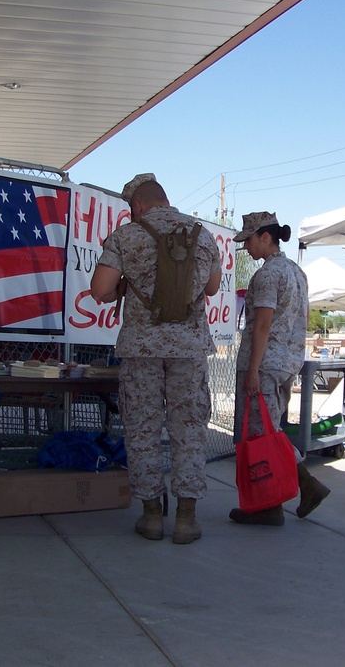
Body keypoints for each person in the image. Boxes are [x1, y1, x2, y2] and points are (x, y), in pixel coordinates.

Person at [90, 173, 222, 544]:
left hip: (141, 350)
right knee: (189, 430)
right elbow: (211, 287)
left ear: (137, 206)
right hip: (189, 348)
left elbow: (100, 290)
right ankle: (186, 519)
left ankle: (151, 517)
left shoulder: (127, 235)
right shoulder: (202, 234)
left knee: (144, 430)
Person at [229, 211, 330, 526]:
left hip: (267, 364)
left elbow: (262, 325)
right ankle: (272, 500)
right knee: (270, 431)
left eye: (249, 239)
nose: (246, 247)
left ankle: (288, 495)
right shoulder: (297, 272)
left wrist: (253, 370)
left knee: (264, 435)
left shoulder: (268, 275)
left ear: (265, 236)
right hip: (288, 362)